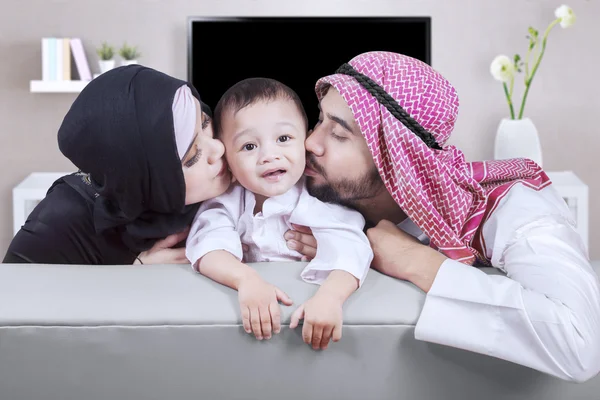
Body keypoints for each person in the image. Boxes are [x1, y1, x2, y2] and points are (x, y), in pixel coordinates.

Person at [284, 51, 600, 382]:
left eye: (338, 134)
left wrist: (415, 262)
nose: (310, 142)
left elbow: (580, 343)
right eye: (320, 119)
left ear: (395, 157)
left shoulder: (511, 208)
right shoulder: (319, 195)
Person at [185, 77, 373, 349]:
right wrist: (246, 280)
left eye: (284, 138)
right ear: (229, 161)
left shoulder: (313, 198)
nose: (270, 155)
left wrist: (330, 298)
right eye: (249, 146)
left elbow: (353, 248)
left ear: (304, 141)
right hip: (252, 318)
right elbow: (207, 246)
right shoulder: (227, 201)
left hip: (302, 311)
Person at [3, 65, 232, 265]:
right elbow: (14, 304)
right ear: (144, 179)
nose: (218, 148)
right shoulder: (61, 221)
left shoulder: (239, 168)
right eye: (192, 156)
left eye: (205, 122)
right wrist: (130, 279)